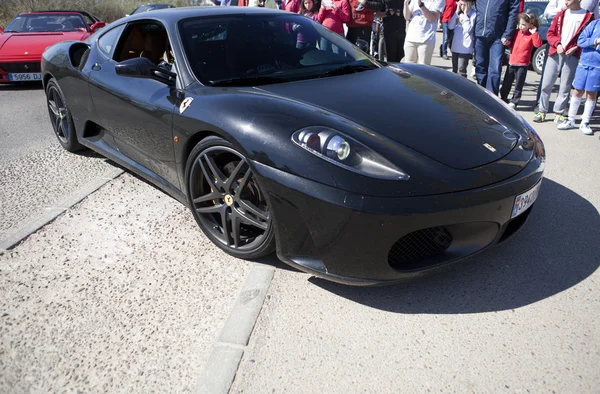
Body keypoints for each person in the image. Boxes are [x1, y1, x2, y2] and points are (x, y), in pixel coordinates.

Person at [533, 0, 593, 123]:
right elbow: (550, 33)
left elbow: (587, 37)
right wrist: (557, 44)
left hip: (572, 55)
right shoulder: (562, 14)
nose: (565, 1)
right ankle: (542, 110)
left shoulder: (587, 16)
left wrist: (576, 47)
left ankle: (559, 113)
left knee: (565, 85)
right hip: (556, 52)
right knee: (546, 83)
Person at [557, 18, 600, 135]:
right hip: (584, 63)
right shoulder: (594, 24)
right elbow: (581, 41)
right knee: (577, 91)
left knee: (591, 93)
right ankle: (570, 120)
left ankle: (585, 122)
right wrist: (595, 41)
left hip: (597, 67)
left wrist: (592, 45)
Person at [474, 0, 520, 95]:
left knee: (494, 69)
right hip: (479, 33)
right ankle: (480, 94)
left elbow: (513, 12)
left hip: (498, 37)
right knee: (480, 66)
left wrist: (507, 34)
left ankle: (491, 97)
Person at [500, 13, 542, 109]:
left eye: (523, 24)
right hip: (512, 61)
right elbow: (512, 44)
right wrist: (508, 43)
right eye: (519, 24)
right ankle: (503, 97)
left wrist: (534, 33)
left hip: (522, 64)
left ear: (530, 25)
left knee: (519, 84)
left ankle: (515, 100)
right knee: (507, 82)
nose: (521, 26)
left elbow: (537, 44)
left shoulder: (532, 35)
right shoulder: (516, 32)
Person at [403, 0, 445, 65]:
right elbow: (407, 17)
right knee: (409, 69)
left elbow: (431, 18)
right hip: (410, 38)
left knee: (423, 69)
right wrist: (406, 3)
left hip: (426, 39)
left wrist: (421, 4)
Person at [448, 0, 475, 78]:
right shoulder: (458, 14)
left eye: (465, 5)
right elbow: (450, 26)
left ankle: (461, 88)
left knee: (461, 70)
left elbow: (468, 29)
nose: (463, 7)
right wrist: (456, 13)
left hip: (465, 48)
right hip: (455, 46)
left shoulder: (473, 14)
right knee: (454, 70)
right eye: (461, 5)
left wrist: (466, 15)